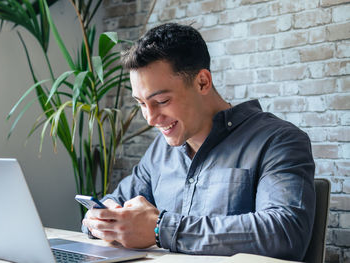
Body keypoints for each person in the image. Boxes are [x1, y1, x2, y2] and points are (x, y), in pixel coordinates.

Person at [81, 23, 315, 261]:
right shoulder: (159, 152)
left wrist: (161, 229)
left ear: (202, 82)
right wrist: (101, 219)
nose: (150, 119)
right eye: (141, 103)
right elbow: (113, 203)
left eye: (161, 101)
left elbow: (285, 233)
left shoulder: (277, 140)